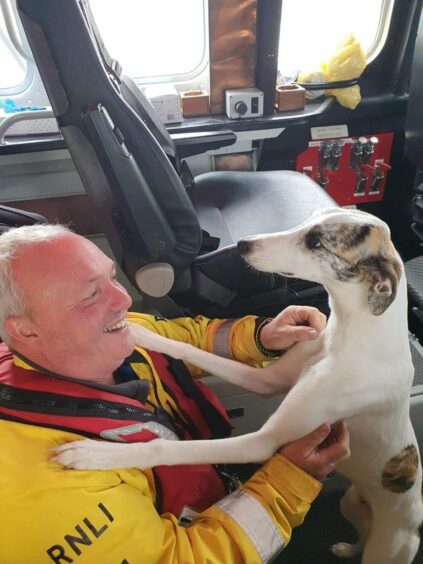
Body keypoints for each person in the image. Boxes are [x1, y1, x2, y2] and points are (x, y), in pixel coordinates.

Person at [0, 224, 350, 564]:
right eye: (91, 293)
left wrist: (261, 336)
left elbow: (180, 337)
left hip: (206, 490)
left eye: (110, 276)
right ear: (25, 331)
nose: (123, 299)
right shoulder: (43, 492)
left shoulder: (98, 334)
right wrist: (290, 480)